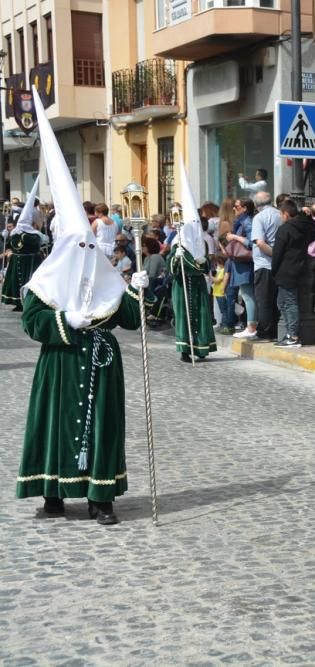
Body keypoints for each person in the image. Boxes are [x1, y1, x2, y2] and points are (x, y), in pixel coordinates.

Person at [15, 87, 150, 526]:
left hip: (101, 366)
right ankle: (53, 494)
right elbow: (34, 321)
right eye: (79, 244)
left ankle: (100, 499)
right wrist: (63, 319)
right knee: (55, 427)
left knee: (101, 430)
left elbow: (131, 319)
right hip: (59, 365)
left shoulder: (106, 275)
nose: (86, 250)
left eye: (90, 244)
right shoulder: (47, 280)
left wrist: (137, 288)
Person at [167, 185, 218, 363]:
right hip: (183, 285)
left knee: (201, 315)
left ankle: (201, 348)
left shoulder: (201, 243)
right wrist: (176, 259)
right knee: (184, 316)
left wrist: (202, 264)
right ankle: (185, 350)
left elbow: (205, 264)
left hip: (198, 285)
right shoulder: (178, 242)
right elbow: (172, 268)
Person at [271, 198, 315, 348]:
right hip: (301, 267)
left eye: (281, 214)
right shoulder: (303, 226)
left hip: (286, 270)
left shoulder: (284, 229)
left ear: (285, 214)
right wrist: (309, 218)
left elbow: (277, 252)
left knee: (289, 303)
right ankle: (290, 333)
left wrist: (274, 270)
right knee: (282, 302)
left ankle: (293, 335)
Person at [1, 181, 45, 311]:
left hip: (31, 261)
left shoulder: (33, 235)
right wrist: (7, 241)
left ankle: (30, 301)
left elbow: (40, 242)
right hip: (17, 260)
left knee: (30, 281)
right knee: (16, 281)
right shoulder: (15, 233)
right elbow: (9, 244)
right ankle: (18, 302)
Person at [251, 191, 281, 340]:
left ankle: (265, 332)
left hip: (264, 264)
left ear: (256, 205)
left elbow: (260, 242)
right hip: (280, 265)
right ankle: (276, 330)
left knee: (264, 300)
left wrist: (274, 255)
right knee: (277, 300)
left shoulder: (259, 218)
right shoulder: (280, 214)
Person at [228, 198, 258, 339]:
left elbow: (252, 242)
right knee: (247, 295)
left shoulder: (247, 221)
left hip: (245, 263)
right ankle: (251, 325)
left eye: (237, 206)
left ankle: (251, 327)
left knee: (247, 295)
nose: (234, 209)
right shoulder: (242, 221)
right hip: (241, 263)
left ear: (245, 208)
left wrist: (234, 237)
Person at [211, 255, 231, 334]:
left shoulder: (222, 270)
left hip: (220, 293)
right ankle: (223, 324)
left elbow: (217, 280)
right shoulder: (221, 270)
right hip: (218, 293)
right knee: (223, 310)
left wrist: (210, 276)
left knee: (223, 310)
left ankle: (225, 325)